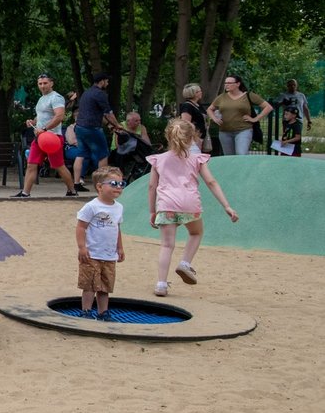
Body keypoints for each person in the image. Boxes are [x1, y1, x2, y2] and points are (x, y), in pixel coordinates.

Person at [147, 118, 238, 297]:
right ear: (192, 138)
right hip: (190, 203)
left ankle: (161, 284)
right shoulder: (197, 159)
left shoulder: (158, 159)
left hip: (166, 204)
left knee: (166, 245)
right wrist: (226, 205)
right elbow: (211, 181)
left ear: (168, 137)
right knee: (196, 233)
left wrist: (152, 210)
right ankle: (185, 263)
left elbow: (152, 186)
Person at [75, 166, 126, 320]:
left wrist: (120, 248)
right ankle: (86, 311)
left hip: (109, 255)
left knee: (105, 285)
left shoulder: (119, 207)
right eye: (113, 184)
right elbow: (81, 227)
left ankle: (103, 312)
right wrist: (82, 247)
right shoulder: (91, 206)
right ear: (99, 187)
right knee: (89, 284)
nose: (118, 188)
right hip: (92, 253)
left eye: (121, 184)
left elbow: (117, 228)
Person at [15, 73, 77, 198]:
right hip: (40, 138)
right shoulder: (42, 99)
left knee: (59, 165)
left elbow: (59, 116)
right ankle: (25, 193)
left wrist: (44, 128)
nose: (42, 86)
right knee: (31, 164)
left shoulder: (56, 97)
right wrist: (33, 122)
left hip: (52, 138)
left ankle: (72, 191)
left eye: (45, 83)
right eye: (40, 83)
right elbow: (41, 116)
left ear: (51, 83)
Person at [72, 73, 122, 192]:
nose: (108, 83)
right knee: (103, 155)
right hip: (92, 128)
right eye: (107, 81)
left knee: (80, 154)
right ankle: (102, 184)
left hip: (79, 127)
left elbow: (96, 113)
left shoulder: (86, 93)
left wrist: (109, 125)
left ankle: (76, 183)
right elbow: (108, 113)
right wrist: (117, 125)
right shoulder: (100, 94)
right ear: (102, 81)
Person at [206, 74, 272, 156]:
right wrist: (214, 118)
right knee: (229, 157)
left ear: (238, 84)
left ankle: (244, 168)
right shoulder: (221, 97)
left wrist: (255, 119)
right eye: (225, 83)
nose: (227, 85)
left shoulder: (248, 95)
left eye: (230, 83)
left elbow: (268, 107)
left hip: (243, 130)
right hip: (224, 131)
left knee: (241, 154)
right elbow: (209, 109)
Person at [178, 83, 209, 152]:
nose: (201, 92)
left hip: (201, 136)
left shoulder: (198, 105)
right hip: (194, 138)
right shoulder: (187, 106)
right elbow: (186, 123)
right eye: (199, 91)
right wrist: (194, 137)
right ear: (194, 93)